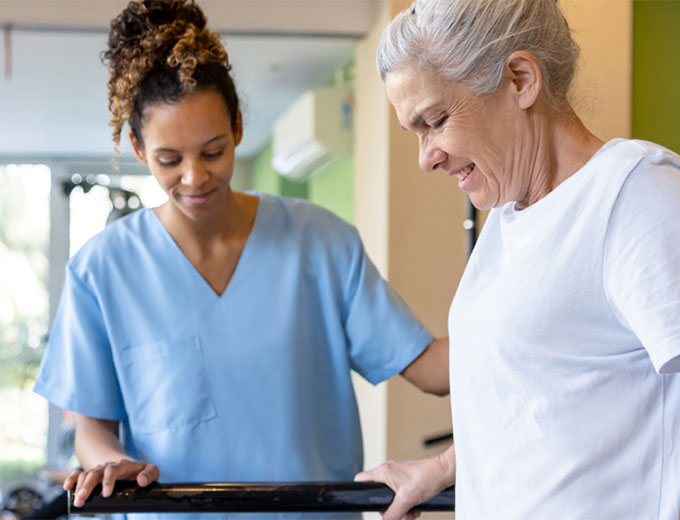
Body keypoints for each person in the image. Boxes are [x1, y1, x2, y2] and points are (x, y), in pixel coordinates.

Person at [355, 0, 680, 518]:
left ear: (520, 79)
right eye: (415, 132)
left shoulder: (634, 193)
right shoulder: (509, 215)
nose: (426, 157)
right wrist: (443, 468)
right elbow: (545, 401)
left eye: (436, 121)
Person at [32, 0, 448, 518]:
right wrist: (112, 462)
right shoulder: (101, 271)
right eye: (168, 159)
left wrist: (531, 318)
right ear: (138, 147)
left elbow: (431, 368)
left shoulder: (321, 242)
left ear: (238, 127)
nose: (194, 177)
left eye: (212, 151)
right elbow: (93, 428)